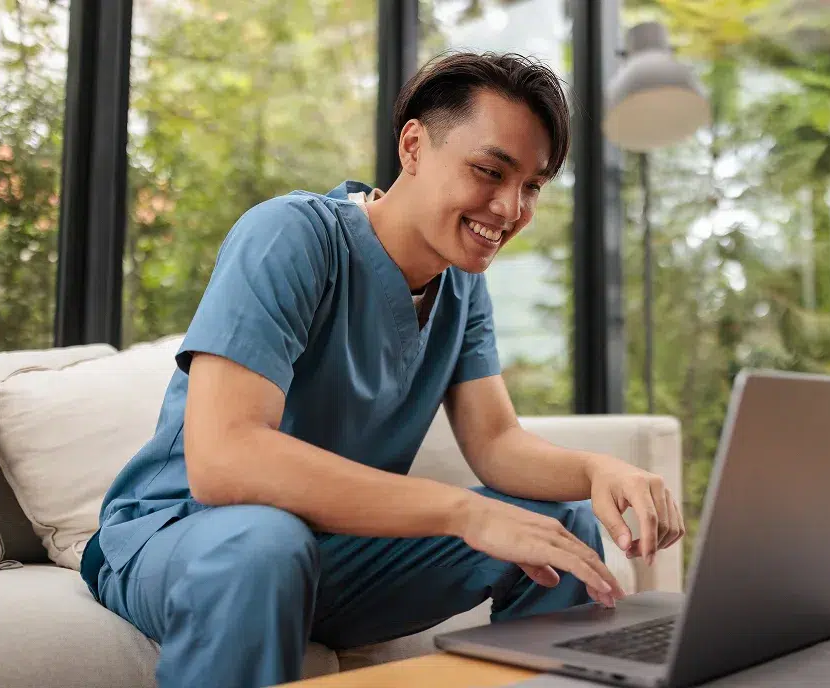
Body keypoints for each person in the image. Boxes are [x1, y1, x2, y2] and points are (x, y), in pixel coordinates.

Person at [80, 51, 685, 688]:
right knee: (265, 544)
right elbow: (224, 460)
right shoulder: (290, 236)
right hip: (184, 537)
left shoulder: (461, 285)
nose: (511, 208)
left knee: (561, 530)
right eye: (490, 171)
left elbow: (496, 442)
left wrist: (597, 471)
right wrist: (462, 512)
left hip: (329, 547)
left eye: (532, 186)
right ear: (414, 145)